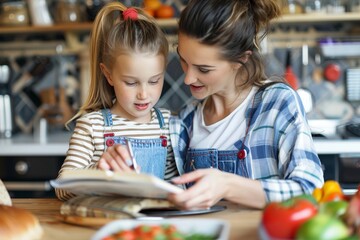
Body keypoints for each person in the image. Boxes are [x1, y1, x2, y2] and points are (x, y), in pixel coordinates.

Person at [167, 0, 324, 209]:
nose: (188, 79)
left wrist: (227, 186)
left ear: (240, 59)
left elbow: (310, 191)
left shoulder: (276, 103)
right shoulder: (185, 121)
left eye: (203, 69)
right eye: (183, 61)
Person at [55, 2, 181, 201]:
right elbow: (62, 188)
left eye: (154, 81)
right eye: (131, 83)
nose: (144, 94)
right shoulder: (92, 126)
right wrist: (98, 170)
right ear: (108, 75)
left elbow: (175, 186)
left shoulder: (167, 124)